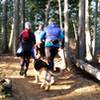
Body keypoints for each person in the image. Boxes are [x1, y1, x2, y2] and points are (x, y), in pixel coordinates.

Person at [40, 18, 64, 84]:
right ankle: (51, 76)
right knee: (52, 60)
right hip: (55, 46)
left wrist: (43, 39)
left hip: (48, 45)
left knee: (49, 60)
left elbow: (41, 36)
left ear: (49, 22)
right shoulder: (58, 29)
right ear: (54, 22)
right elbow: (62, 37)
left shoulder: (46, 28)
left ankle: (49, 76)